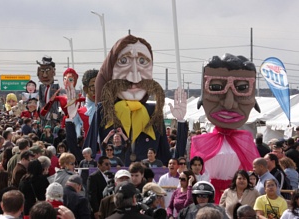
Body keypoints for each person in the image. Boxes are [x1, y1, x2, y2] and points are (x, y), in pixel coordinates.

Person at [84, 35, 187, 165]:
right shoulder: (104, 112)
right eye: (124, 61)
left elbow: (169, 159)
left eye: (143, 62)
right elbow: (86, 155)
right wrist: (70, 121)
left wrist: (181, 122)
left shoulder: (153, 113)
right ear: (110, 70)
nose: (135, 76)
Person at [191, 54, 260, 203]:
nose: (229, 104)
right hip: (208, 194)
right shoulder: (200, 141)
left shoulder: (246, 140)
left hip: (237, 197)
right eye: (215, 87)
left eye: (242, 88)